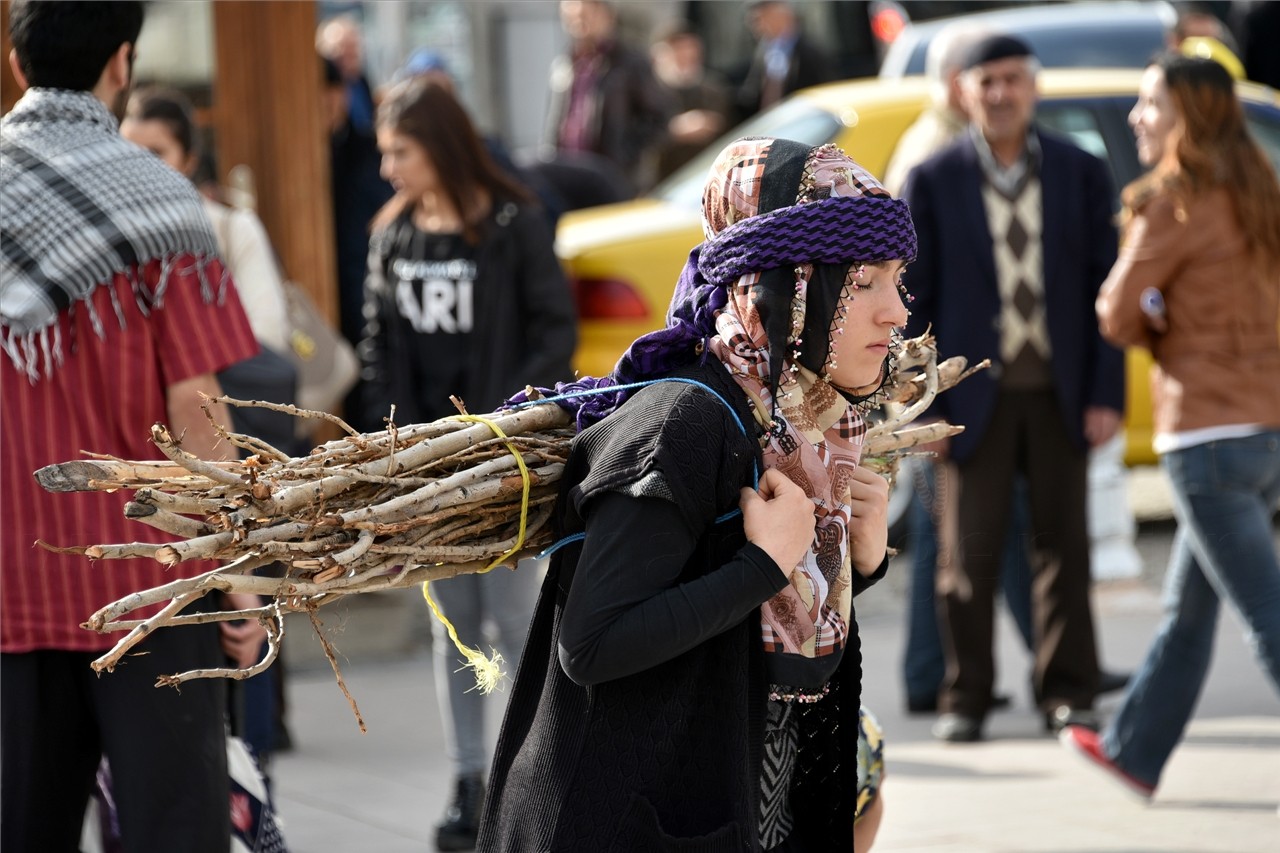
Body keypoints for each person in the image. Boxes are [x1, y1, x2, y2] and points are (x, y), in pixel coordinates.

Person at [478, 134, 913, 851]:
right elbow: (592, 642)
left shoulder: (802, 426)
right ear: (790, 285)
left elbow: (739, 629)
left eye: (898, 280)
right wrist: (763, 563)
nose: (895, 311)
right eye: (864, 283)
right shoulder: (682, 423)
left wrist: (858, 563)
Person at [0, 2, 263, 850]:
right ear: (122, 63)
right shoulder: (163, 202)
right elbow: (197, 406)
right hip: (152, 589)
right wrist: (239, 572)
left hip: (8, 589)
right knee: (173, 834)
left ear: (16, 63)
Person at [361, 76, 577, 851]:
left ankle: (528, 769)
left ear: (442, 148)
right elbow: (378, 345)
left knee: (517, 624)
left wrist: (510, 420)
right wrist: (398, 444)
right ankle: (467, 779)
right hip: (428, 472)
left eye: (401, 152)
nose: (388, 168)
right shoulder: (391, 234)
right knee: (455, 630)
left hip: (507, 466)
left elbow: (554, 327)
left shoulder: (514, 226)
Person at [1061, 53, 1280, 800]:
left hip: (1205, 441)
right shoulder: (1260, 192)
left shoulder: (1175, 200)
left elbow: (1115, 313)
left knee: (1268, 615)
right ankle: (1134, 750)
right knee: (1189, 610)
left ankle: (1134, 749)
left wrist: (1156, 312)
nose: (1136, 116)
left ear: (1187, 115)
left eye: (1150, 103)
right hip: (1264, 429)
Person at [901, 34, 1126, 743]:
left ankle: (1068, 693)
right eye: (985, 81)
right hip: (970, 400)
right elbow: (915, 303)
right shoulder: (934, 178)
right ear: (963, 91)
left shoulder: (1080, 172)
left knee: (1065, 547)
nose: (999, 94)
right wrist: (925, 405)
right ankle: (965, 695)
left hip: (1060, 392)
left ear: (1033, 88)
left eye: (1011, 81)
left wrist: (1106, 394)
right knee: (965, 552)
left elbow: (1105, 291)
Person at [544, 0, 672, 197]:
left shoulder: (629, 62)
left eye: (585, 16)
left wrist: (624, 154)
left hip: (611, 178)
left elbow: (659, 117)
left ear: (607, 16)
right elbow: (557, 121)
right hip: (569, 175)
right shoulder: (565, 64)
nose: (579, 24)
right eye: (573, 18)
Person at [649, 21, 731, 181]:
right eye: (679, 50)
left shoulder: (714, 91)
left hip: (703, 180)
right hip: (659, 181)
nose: (686, 57)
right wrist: (673, 130)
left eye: (691, 51)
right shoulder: (646, 91)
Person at [736, 0, 835, 123]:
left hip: (802, 123)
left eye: (760, 19)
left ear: (781, 16)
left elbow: (821, 93)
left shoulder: (811, 53)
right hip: (770, 125)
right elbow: (752, 94)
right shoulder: (763, 50)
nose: (755, 26)